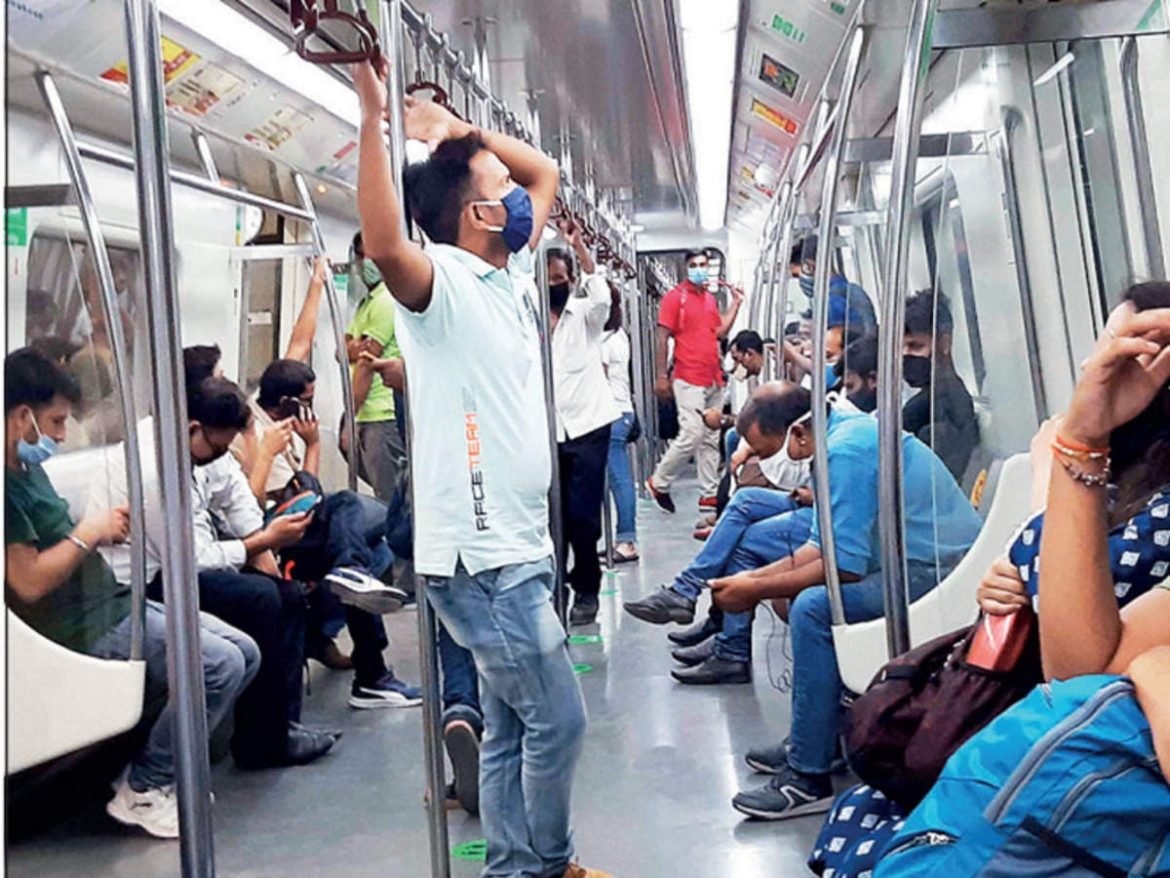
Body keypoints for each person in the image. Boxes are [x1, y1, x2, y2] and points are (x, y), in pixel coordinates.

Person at [354, 55, 606, 878]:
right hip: (483, 558)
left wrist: (457, 130)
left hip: (519, 546)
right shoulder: (444, 288)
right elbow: (386, 243)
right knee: (558, 721)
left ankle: (512, 866)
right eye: (498, 183)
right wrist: (374, 117)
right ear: (477, 213)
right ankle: (549, 865)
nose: (518, 192)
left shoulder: (509, 273)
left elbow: (547, 171)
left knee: (508, 730)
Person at [4, 348, 257, 839]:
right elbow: (28, 582)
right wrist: (89, 532)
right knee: (219, 665)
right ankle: (146, 786)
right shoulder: (5, 489)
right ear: (21, 416)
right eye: (56, 422)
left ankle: (152, 770)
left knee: (244, 651)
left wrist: (97, 533)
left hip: (110, 601)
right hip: (83, 624)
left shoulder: (27, 470)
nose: (61, 435)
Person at [705, 383, 981, 819]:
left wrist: (755, 590)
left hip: (937, 571)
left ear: (798, 433)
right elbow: (821, 548)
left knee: (812, 609)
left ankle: (807, 776)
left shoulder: (845, 453)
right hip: (907, 562)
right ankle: (822, 738)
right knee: (801, 597)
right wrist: (752, 580)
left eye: (763, 451)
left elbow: (844, 567)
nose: (760, 461)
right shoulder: (839, 434)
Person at [229, 357, 423, 709]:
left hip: (284, 530)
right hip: (272, 540)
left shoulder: (272, 425)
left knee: (367, 555)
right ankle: (369, 672)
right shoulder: (257, 435)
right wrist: (313, 446)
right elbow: (300, 499)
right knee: (349, 513)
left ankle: (349, 595)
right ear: (287, 403)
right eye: (307, 400)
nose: (312, 407)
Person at [167, 376, 338, 769]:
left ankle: (281, 727)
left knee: (287, 594)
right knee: (260, 598)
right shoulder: (164, 470)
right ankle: (260, 740)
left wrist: (262, 545)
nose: (221, 455)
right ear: (193, 428)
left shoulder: (207, 451)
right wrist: (259, 543)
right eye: (218, 447)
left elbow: (238, 500)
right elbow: (195, 559)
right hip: (163, 578)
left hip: (199, 562)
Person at [624, 382, 814, 685]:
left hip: (826, 518)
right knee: (746, 500)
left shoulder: (842, 444)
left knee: (744, 543)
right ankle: (686, 592)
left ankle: (731, 649)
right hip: (814, 504)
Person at [547, 221, 621, 626]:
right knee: (551, 517)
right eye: (548, 280)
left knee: (582, 516)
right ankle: (553, 585)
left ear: (571, 280)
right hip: (548, 430)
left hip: (589, 426)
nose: (554, 285)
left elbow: (601, 295)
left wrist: (580, 248)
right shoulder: (530, 322)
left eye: (560, 279)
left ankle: (587, 588)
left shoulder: (585, 316)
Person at [646, 249, 743, 514]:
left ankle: (709, 493)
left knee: (711, 437)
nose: (699, 269)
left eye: (703, 264)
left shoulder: (709, 299)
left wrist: (735, 304)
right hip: (688, 375)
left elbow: (718, 331)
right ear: (686, 267)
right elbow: (662, 338)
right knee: (692, 433)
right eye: (694, 265)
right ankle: (659, 481)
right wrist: (661, 376)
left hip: (713, 376)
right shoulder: (674, 298)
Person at [345, 231, 408, 500]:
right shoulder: (366, 303)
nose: (365, 262)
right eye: (361, 256)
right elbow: (342, 349)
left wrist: (349, 418)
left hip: (382, 414)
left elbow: (366, 364)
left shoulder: (387, 299)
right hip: (369, 414)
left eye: (371, 255)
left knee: (389, 498)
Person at [901, 291, 979, 482]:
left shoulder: (931, 408)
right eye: (901, 348)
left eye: (915, 346)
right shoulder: (950, 394)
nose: (905, 356)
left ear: (944, 343)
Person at [601, 283, 639, 563]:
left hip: (611, 413)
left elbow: (596, 377)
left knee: (619, 480)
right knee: (618, 479)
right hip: (621, 411)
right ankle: (621, 538)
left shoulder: (605, 340)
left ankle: (626, 541)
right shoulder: (618, 335)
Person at [795, 235, 877, 335]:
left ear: (809, 267)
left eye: (796, 275)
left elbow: (835, 339)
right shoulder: (851, 290)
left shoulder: (834, 298)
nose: (800, 280)